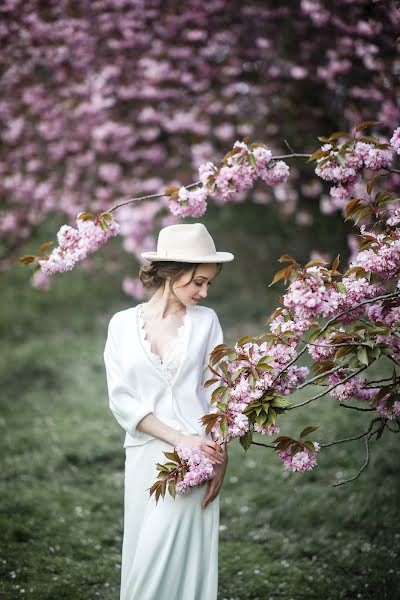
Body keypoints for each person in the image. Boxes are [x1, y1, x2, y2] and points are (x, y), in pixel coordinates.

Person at [103, 222, 235, 600]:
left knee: (162, 566)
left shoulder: (207, 322)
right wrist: (180, 439)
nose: (204, 291)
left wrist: (218, 452)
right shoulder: (121, 325)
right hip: (146, 455)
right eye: (197, 281)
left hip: (197, 459)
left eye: (209, 283)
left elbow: (219, 392)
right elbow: (122, 400)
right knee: (143, 555)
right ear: (171, 272)